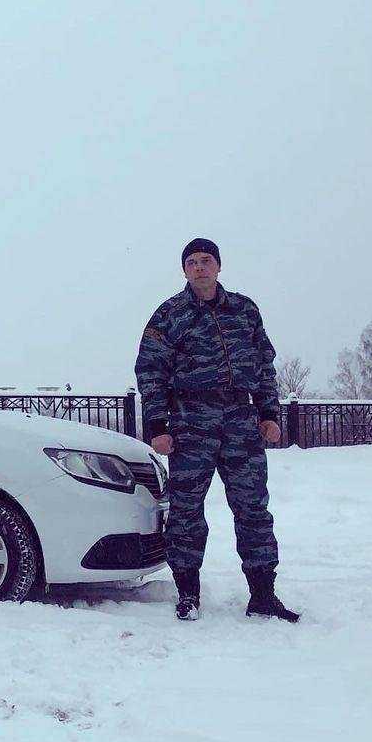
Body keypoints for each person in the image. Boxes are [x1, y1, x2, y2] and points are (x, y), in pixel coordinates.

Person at [135, 239, 299, 623]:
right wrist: (158, 425)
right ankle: (188, 594)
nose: (199, 268)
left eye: (206, 261)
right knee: (187, 512)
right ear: (184, 271)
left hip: (241, 421)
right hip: (191, 422)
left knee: (253, 508)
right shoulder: (169, 315)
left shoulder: (244, 311)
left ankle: (263, 593)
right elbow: (150, 372)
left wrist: (269, 413)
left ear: (219, 266)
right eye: (191, 262)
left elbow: (264, 365)